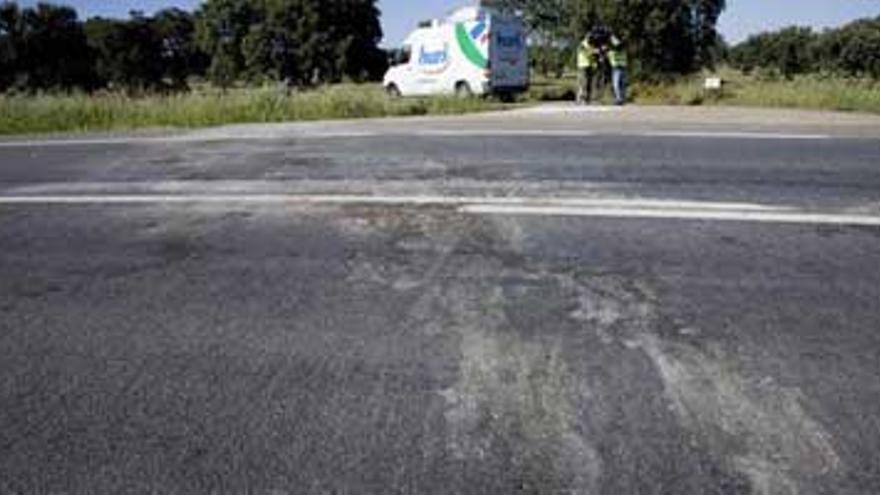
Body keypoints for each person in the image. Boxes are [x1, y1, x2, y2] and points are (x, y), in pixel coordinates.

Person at [576, 33, 599, 105]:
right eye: (590, 38)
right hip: (582, 66)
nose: (591, 40)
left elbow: (593, 57)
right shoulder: (582, 45)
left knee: (589, 83)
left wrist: (595, 62)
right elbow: (585, 52)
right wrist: (594, 52)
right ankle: (582, 98)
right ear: (587, 38)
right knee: (584, 82)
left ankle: (588, 98)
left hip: (590, 66)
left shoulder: (591, 45)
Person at [608, 35, 628, 105]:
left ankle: (619, 99)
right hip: (623, 68)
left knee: (616, 85)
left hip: (617, 68)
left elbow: (610, 51)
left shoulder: (612, 52)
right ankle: (622, 98)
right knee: (622, 85)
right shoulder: (623, 52)